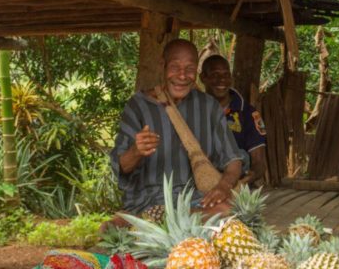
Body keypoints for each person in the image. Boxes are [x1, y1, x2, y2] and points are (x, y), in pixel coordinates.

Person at [110, 39, 243, 220]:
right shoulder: (138, 106)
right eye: (175, 67)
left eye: (189, 69)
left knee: (231, 209)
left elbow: (233, 160)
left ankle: (162, 220)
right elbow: (122, 166)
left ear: (196, 70)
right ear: (163, 66)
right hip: (149, 200)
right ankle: (156, 219)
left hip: (196, 200)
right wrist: (136, 151)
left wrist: (223, 187)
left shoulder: (209, 107)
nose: (182, 76)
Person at [200, 54, 266, 185]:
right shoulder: (193, 110)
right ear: (203, 78)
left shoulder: (248, 113)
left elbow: (259, 163)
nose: (221, 80)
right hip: (198, 179)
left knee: (241, 155)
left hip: (236, 183)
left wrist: (243, 181)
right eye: (215, 75)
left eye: (226, 75)